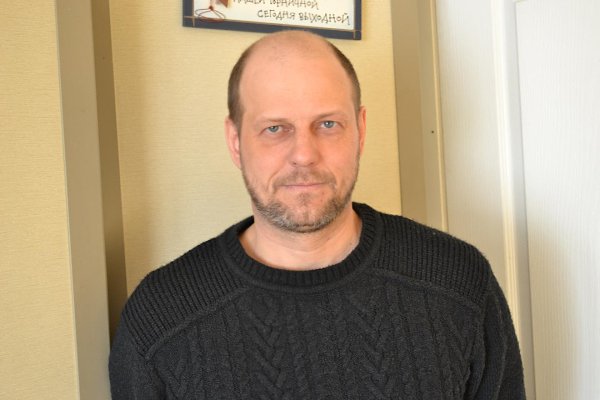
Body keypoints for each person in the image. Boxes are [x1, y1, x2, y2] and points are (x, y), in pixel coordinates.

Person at [109, 30, 525, 399]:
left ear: (360, 130)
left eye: (327, 124)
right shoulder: (162, 317)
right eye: (275, 128)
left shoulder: (457, 280)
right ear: (235, 142)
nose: (304, 155)